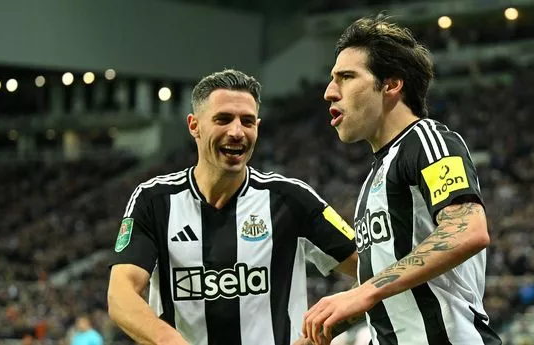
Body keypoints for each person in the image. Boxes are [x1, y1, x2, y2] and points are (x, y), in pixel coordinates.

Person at [107, 69, 358, 345]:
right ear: (194, 126)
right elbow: (121, 294)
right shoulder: (154, 201)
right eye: (223, 119)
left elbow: (372, 269)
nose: (237, 132)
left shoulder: (291, 199)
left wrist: (327, 326)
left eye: (247, 122)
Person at [302, 16, 501, 345]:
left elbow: (468, 228)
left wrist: (365, 292)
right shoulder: (376, 175)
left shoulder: (427, 139)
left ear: (391, 85)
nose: (329, 93)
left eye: (346, 77)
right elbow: (388, 283)